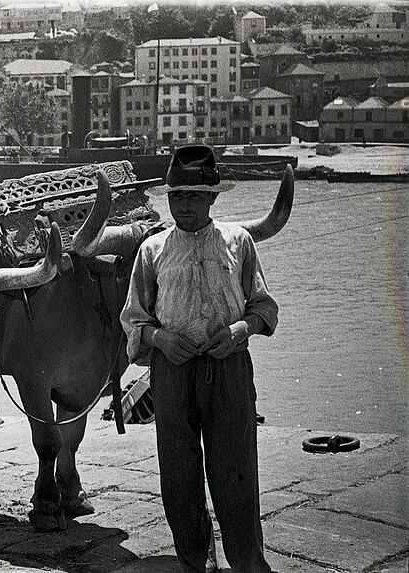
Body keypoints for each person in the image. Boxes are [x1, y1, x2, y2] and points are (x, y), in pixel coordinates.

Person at [120, 145, 278, 573]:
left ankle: (248, 564)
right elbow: (133, 318)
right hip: (171, 373)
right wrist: (159, 338)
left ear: (213, 198)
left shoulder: (239, 242)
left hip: (229, 371)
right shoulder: (152, 250)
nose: (183, 205)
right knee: (178, 475)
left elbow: (264, 307)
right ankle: (193, 561)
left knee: (236, 473)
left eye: (193, 195)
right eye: (176, 196)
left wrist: (240, 330)